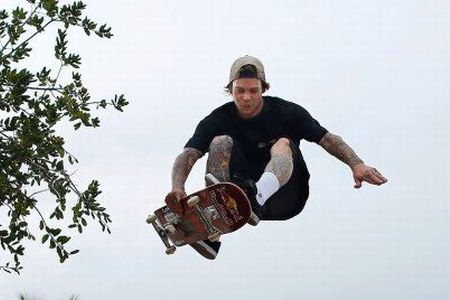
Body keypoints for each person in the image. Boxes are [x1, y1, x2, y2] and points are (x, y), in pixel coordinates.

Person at [166, 55, 388, 259]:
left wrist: (356, 164)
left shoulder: (287, 112)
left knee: (283, 143)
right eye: (240, 91)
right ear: (231, 90)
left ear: (263, 89)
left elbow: (328, 139)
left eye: (253, 91)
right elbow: (189, 154)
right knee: (219, 142)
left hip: (287, 196)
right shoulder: (217, 119)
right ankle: (213, 223)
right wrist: (178, 188)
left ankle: (257, 197)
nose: (246, 97)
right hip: (239, 198)